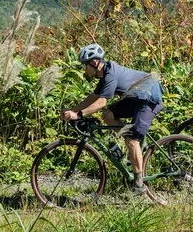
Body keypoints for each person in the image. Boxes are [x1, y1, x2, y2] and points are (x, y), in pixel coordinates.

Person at [62, 44, 164, 194]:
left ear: (94, 63)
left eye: (85, 66)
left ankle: (139, 184)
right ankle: (134, 145)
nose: (84, 69)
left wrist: (79, 115)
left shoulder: (110, 75)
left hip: (149, 98)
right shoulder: (104, 74)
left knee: (132, 140)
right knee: (107, 115)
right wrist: (74, 109)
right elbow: (94, 97)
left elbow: (101, 102)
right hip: (136, 98)